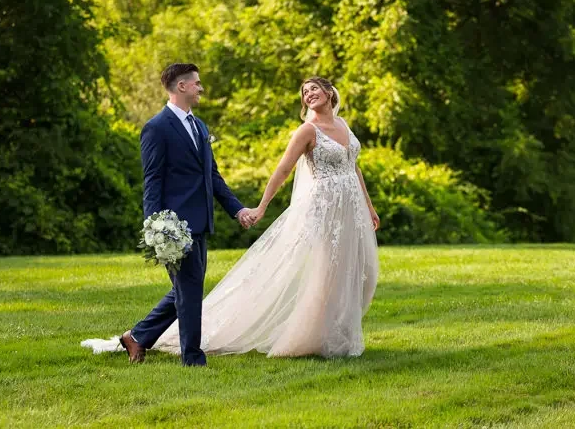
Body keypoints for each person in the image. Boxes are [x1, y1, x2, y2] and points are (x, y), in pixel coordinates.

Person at [83, 76, 379, 359]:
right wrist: (260, 207)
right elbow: (283, 170)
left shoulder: (342, 124)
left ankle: (139, 336)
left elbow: (354, 167)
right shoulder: (305, 131)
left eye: (314, 89)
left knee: (350, 271)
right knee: (318, 272)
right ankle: (189, 354)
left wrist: (369, 206)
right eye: (304, 92)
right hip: (315, 211)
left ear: (330, 93)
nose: (309, 94)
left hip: (349, 209)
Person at [88, 63, 254, 366]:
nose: (201, 88)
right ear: (181, 87)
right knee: (189, 291)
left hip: (201, 222)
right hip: (173, 227)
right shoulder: (157, 127)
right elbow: (153, 180)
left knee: (188, 288)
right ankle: (193, 359)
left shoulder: (200, 127)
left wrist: (237, 209)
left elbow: (212, 177)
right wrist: (154, 226)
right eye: (197, 84)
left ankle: (137, 337)